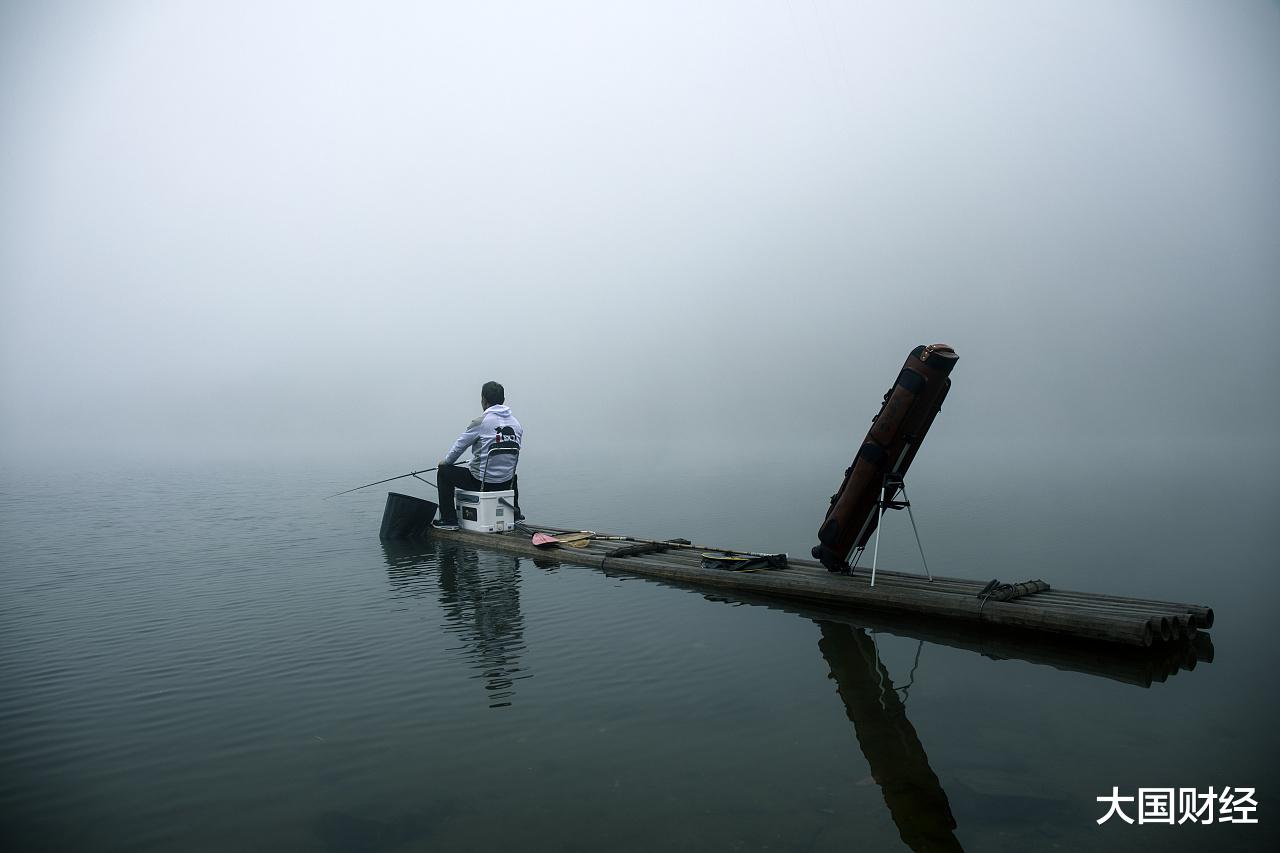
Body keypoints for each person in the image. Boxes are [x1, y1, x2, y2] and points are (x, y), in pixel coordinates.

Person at [432, 381, 524, 529]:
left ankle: (448, 520)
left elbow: (458, 447)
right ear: (503, 400)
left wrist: (446, 462)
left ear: (484, 400)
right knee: (513, 474)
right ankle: (515, 515)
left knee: (444, 472)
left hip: (481, 483)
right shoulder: (517, 424)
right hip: (506, 483)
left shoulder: (481, 422)